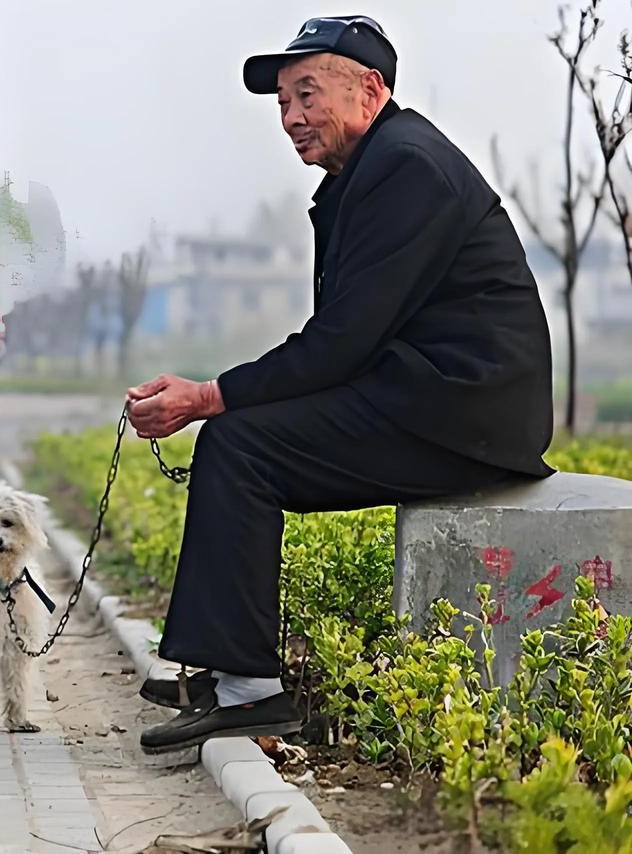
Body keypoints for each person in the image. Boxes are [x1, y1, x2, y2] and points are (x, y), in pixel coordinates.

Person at [127, 16, 554, 755]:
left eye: (306, 95)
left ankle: (247, 692)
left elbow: (340, 344)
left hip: (461, 413)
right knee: (240, 439)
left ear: (370, 90)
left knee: (239, 444)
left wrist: (207, 396)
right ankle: (230, 674)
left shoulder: (406, 168)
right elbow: (345, 346)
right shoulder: (371, 170)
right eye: (283, 103)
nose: (291, 118)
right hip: (425, 397)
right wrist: (226, 396)